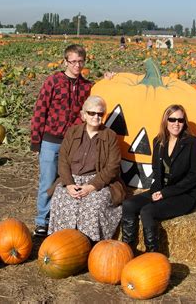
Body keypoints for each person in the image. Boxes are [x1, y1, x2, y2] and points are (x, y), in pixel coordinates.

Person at [121, 104, 196, 252]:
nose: (176, 123)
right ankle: (126, 249)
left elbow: (194, 178)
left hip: (184, 195)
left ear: (184, 122)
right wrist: (156, 190)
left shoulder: (194, 144)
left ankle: (152, 254)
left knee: (147, 211)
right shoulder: (158, 141)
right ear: (165, 121)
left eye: (180, 120)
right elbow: (156, 172)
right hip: (162, 190)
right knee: (129, 204)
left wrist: (165, 194)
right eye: (172, 119)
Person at [30, 44, 93, 237]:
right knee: (47, 181)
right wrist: (36, 139)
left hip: (72, 142)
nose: (77, 65)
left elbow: (98, 100)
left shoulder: (87, 86)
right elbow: (40, 110)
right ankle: (42, 221)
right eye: (73, 61)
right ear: (65, 61)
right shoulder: (53, 82)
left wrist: (110, 80)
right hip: (50, 140)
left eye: (80, 61)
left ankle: (62, 219)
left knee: (68, 181)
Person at [47, 96, 126, 242]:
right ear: (84, 115)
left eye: (100, 114)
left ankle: (90, 244)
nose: (96, 117)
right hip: (72, 179)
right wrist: (69, 184)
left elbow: (112, 166)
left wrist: (91, 186)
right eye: (91, 113)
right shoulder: (73, 132)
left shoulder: (110, 136)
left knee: (93, 205)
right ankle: (63, 242)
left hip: (98, 181)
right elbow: (63, 159)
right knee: (61, 197)